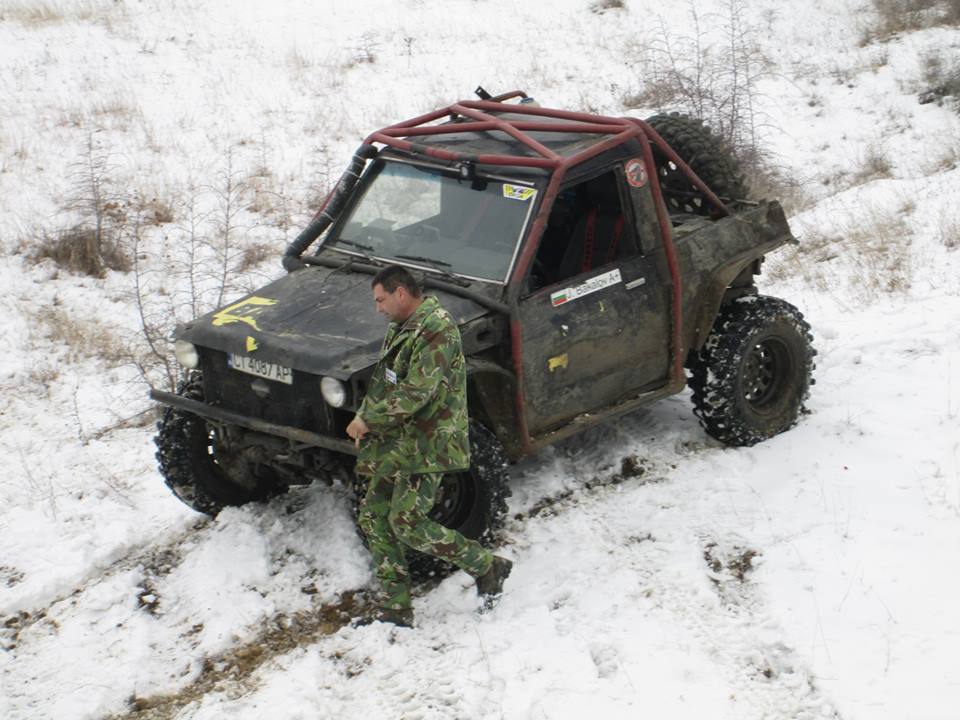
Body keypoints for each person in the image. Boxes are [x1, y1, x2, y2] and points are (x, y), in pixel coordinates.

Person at [346, 265, 512, 627]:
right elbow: (385, 380)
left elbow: (418, 390)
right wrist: (365, 414)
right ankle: (396, 608)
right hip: (397, 441)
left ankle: (487, 566)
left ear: (401, 293)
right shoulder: (401, 326)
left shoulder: (436, 328)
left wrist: (369, 419)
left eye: (381, 300)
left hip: (428, 443)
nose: (378, 308)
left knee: (407, 522)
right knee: (374, 517)